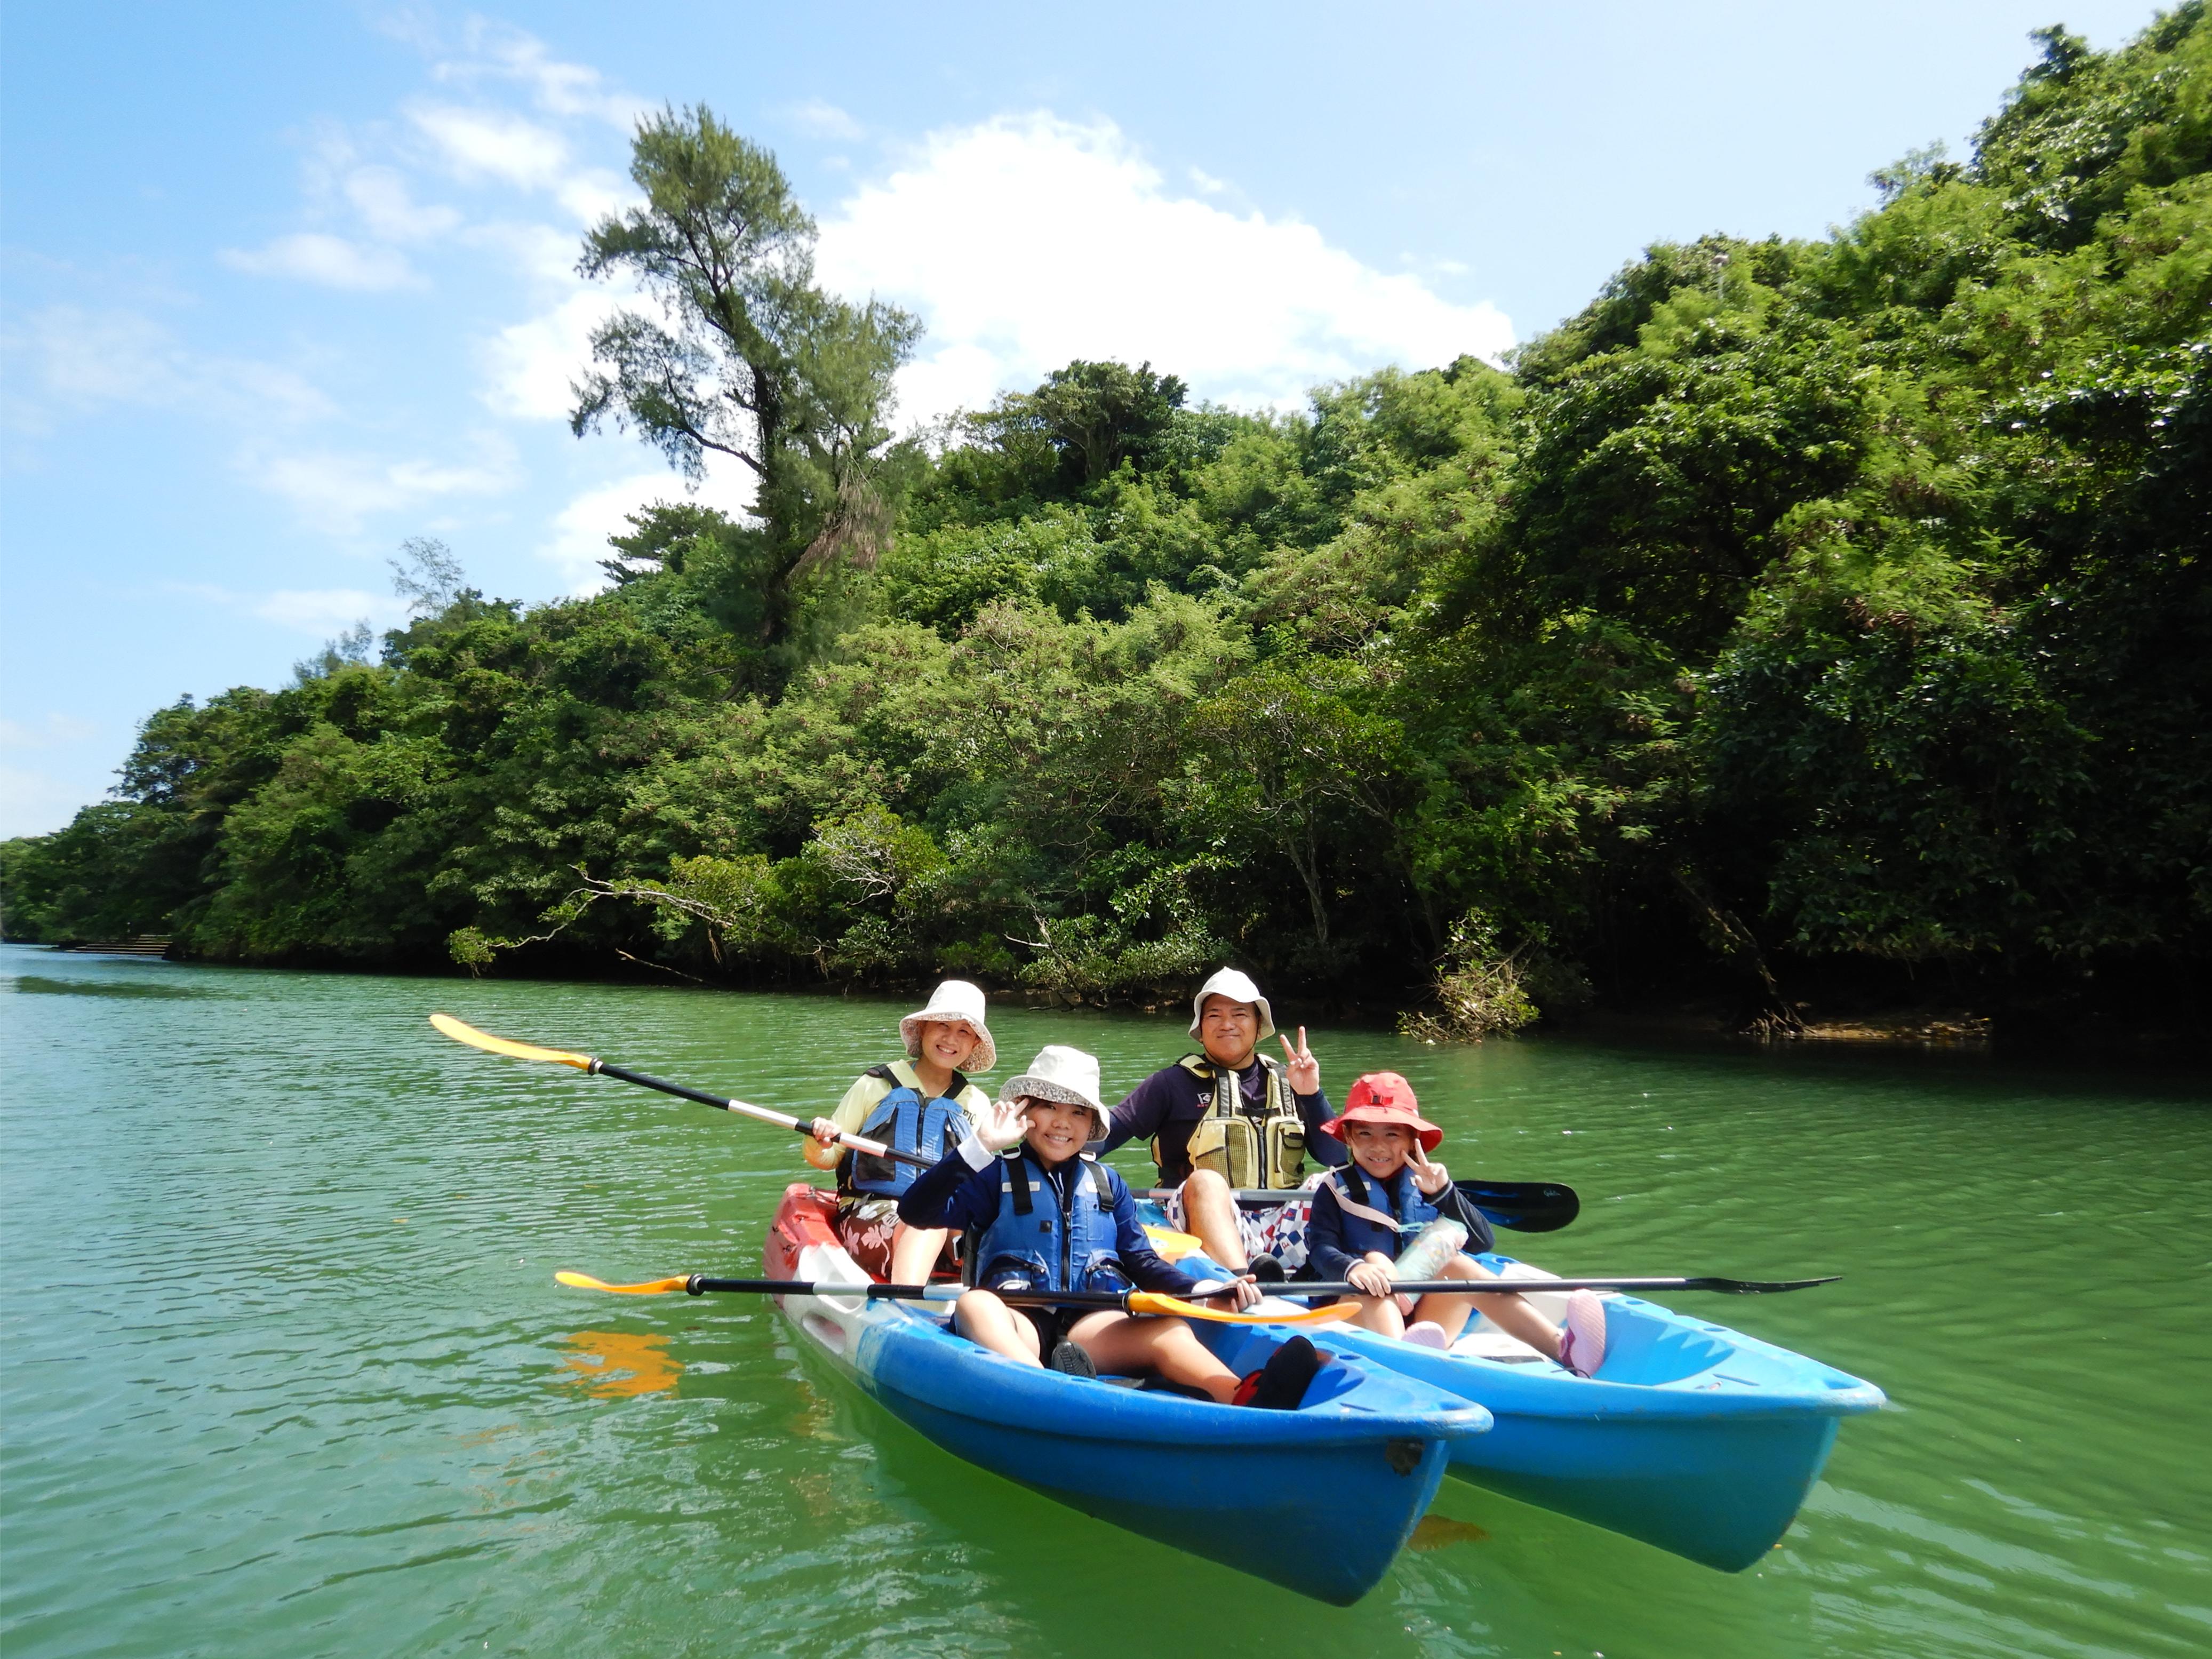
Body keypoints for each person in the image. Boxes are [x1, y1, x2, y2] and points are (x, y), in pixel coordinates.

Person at [898, 1042, 1322, 1408]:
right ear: (1025, 1112)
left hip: (1091, 1328)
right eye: (1048, 1106)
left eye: (1078, 1112)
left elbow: (1140, 1261)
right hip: (1017, 1323)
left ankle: (1239, 1393)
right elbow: (916, 1212)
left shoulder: (1107, 1184)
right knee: (975, 1304)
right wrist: (980, 1146)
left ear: (1092, 1125)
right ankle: (1048, 1394)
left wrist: (1205, 1290)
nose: (1063, 1122)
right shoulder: (992, 1174)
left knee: (1167, 1329)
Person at [1304, 1071, 1607, 1377]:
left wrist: (1445, 1194)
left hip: (1423, 1323)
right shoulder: (1333, 1190)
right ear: (1349, 1138)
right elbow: (1320, 1248)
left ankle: (1563, 1349)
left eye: (1392, 1134)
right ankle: (1409, 1363)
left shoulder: (1428, 1186)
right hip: (1354, 1316)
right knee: (1377, 1265)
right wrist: (1355, 1269)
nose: (1378, 1147)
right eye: (1365, 1134)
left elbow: (1482, 1241)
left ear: (1412, 1141)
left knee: (1461, 1267)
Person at [1100, 967, 1346, 1275]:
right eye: (1214, 1015)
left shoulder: (1290, 1080)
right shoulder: (1171, 1084)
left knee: (1332, 1182)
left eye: (1240, 1014)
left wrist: (1311, 1094)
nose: (1227, 1024)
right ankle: (1242, 1285)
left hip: (1283, 1225)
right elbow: (1105, 1135)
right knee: (1206, 1181)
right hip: (1197, 1227)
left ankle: (1332, 1271)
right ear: (1200, 1029)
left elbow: (1337, 1158)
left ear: (1259, 1026)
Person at [803, 980, 995, 1285]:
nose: (950, 1038)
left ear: (974, 1045)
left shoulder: (976, 1103)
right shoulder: (875, 1085)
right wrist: (820, 1140)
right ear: (923, 1030)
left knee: (982, 1231)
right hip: (872, 1212)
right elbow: (828, 1158)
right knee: (925, 1224)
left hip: (945, 1220)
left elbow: (982, 1184)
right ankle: (906, 1306)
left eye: (964, 1032)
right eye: (942, 1025)